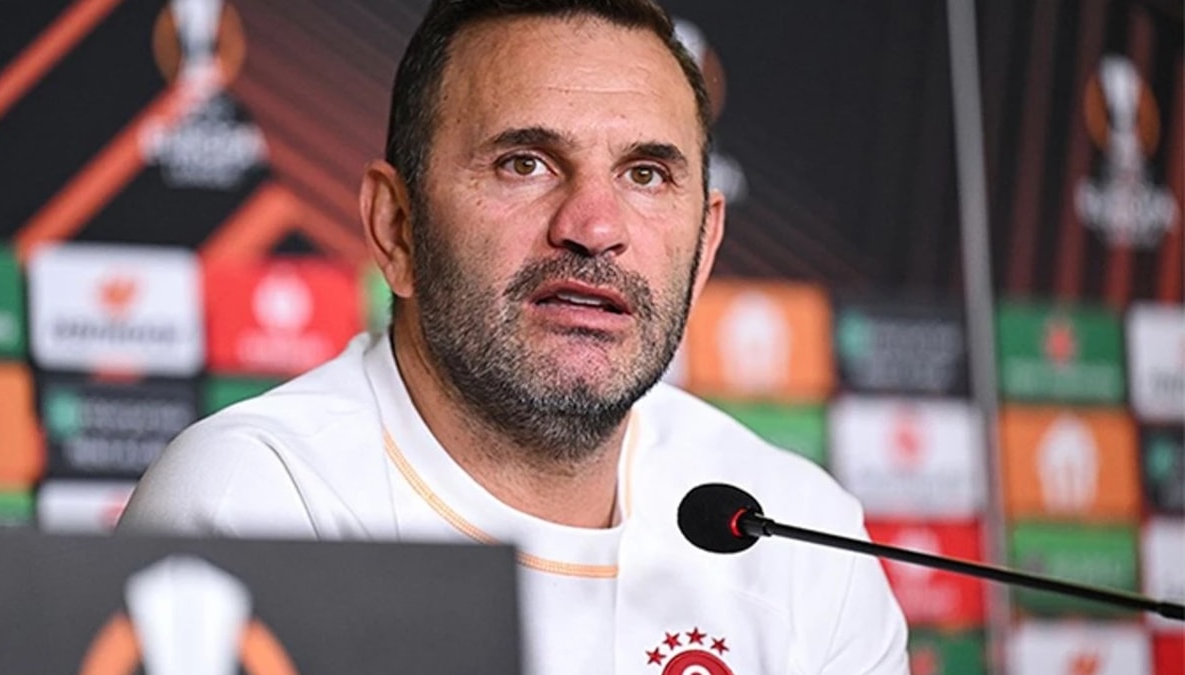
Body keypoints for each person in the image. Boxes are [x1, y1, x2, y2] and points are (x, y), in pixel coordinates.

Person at [119, 0, 910, 672]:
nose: (594, 228)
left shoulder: (799, 532)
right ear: (396, 228)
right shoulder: (255, 502)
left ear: (703, 249)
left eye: (645, 174)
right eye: (525, 164)